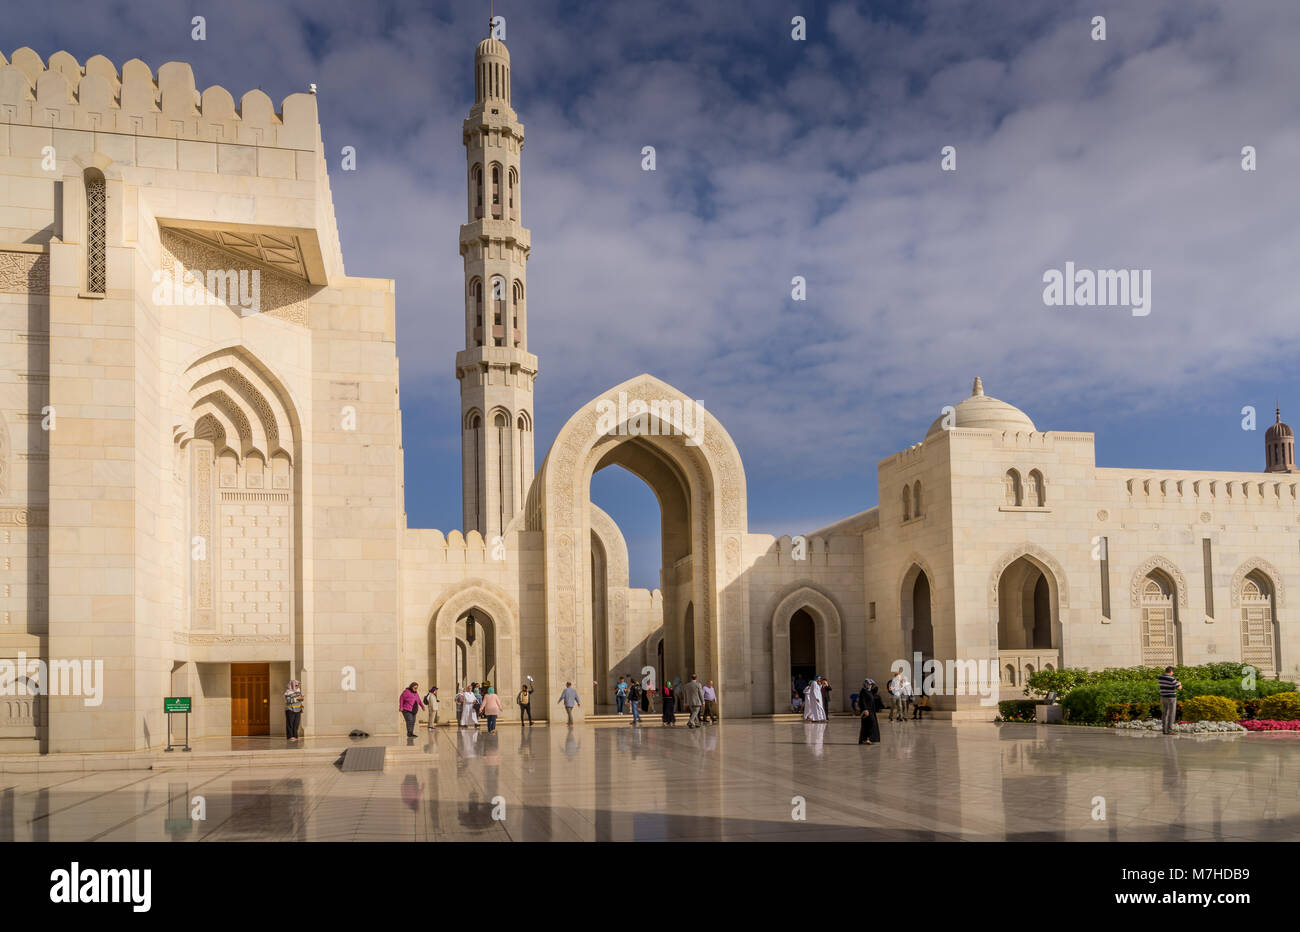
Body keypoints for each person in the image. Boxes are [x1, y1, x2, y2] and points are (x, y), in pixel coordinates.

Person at [1159, 666, 1182, 735]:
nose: (1173, 673)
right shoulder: (1172, 679)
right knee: (1171, 713)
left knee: (1164, 713)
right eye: (1173, 672)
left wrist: (1175, 681)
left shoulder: (1160, 677)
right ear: (1171, 671)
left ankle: (1164, 730)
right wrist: (1179, 683)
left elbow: (1168, 683)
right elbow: (1179, 688)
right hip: (1171, 698)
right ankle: (1170, 730)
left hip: (1163, 697)